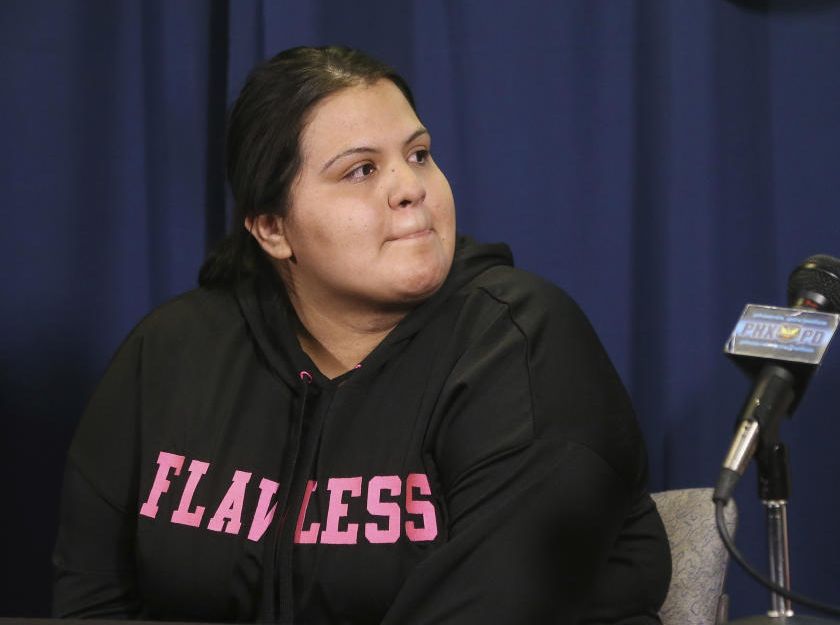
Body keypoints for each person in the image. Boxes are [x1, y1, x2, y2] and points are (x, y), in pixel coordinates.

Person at [52, 46, 671, 624]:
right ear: (272, 229)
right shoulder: (170, 352)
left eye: (420, 154)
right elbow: (92, 600)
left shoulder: (521, 343)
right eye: (361, 171)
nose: (410, 188)